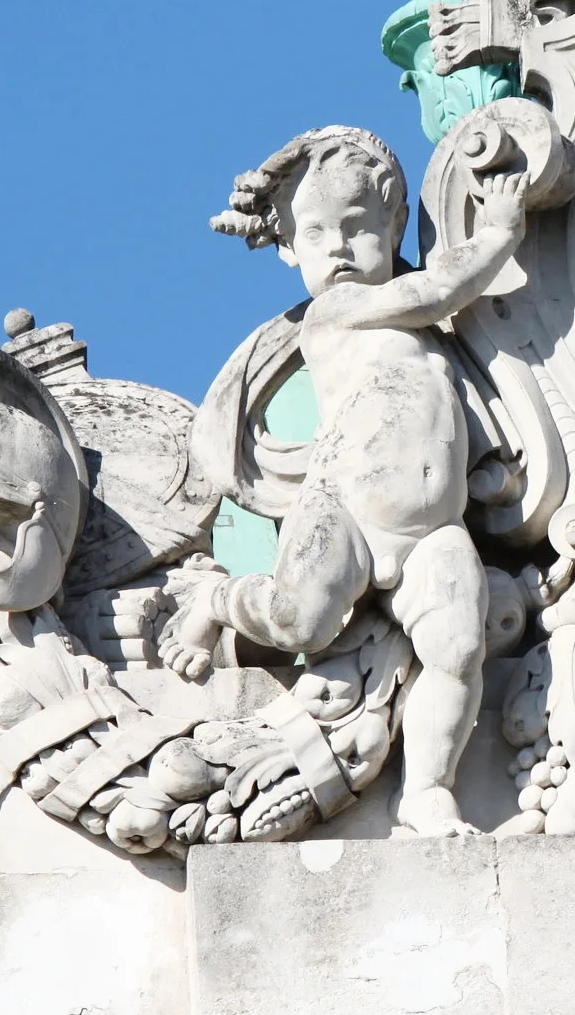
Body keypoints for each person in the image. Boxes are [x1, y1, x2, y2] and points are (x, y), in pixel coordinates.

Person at [163, 125, 525, 836]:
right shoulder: (337, 312)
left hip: (433, 529)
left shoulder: (432, 338)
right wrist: (501, 232)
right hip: (345, 511)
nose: (338, 246)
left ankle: (426, 789)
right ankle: (216, 598)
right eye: (318, 231)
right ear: (291, 248)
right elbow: (443, 284)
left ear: (394, 227)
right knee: (301, 617)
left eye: (359, 227)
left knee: (456, 651)